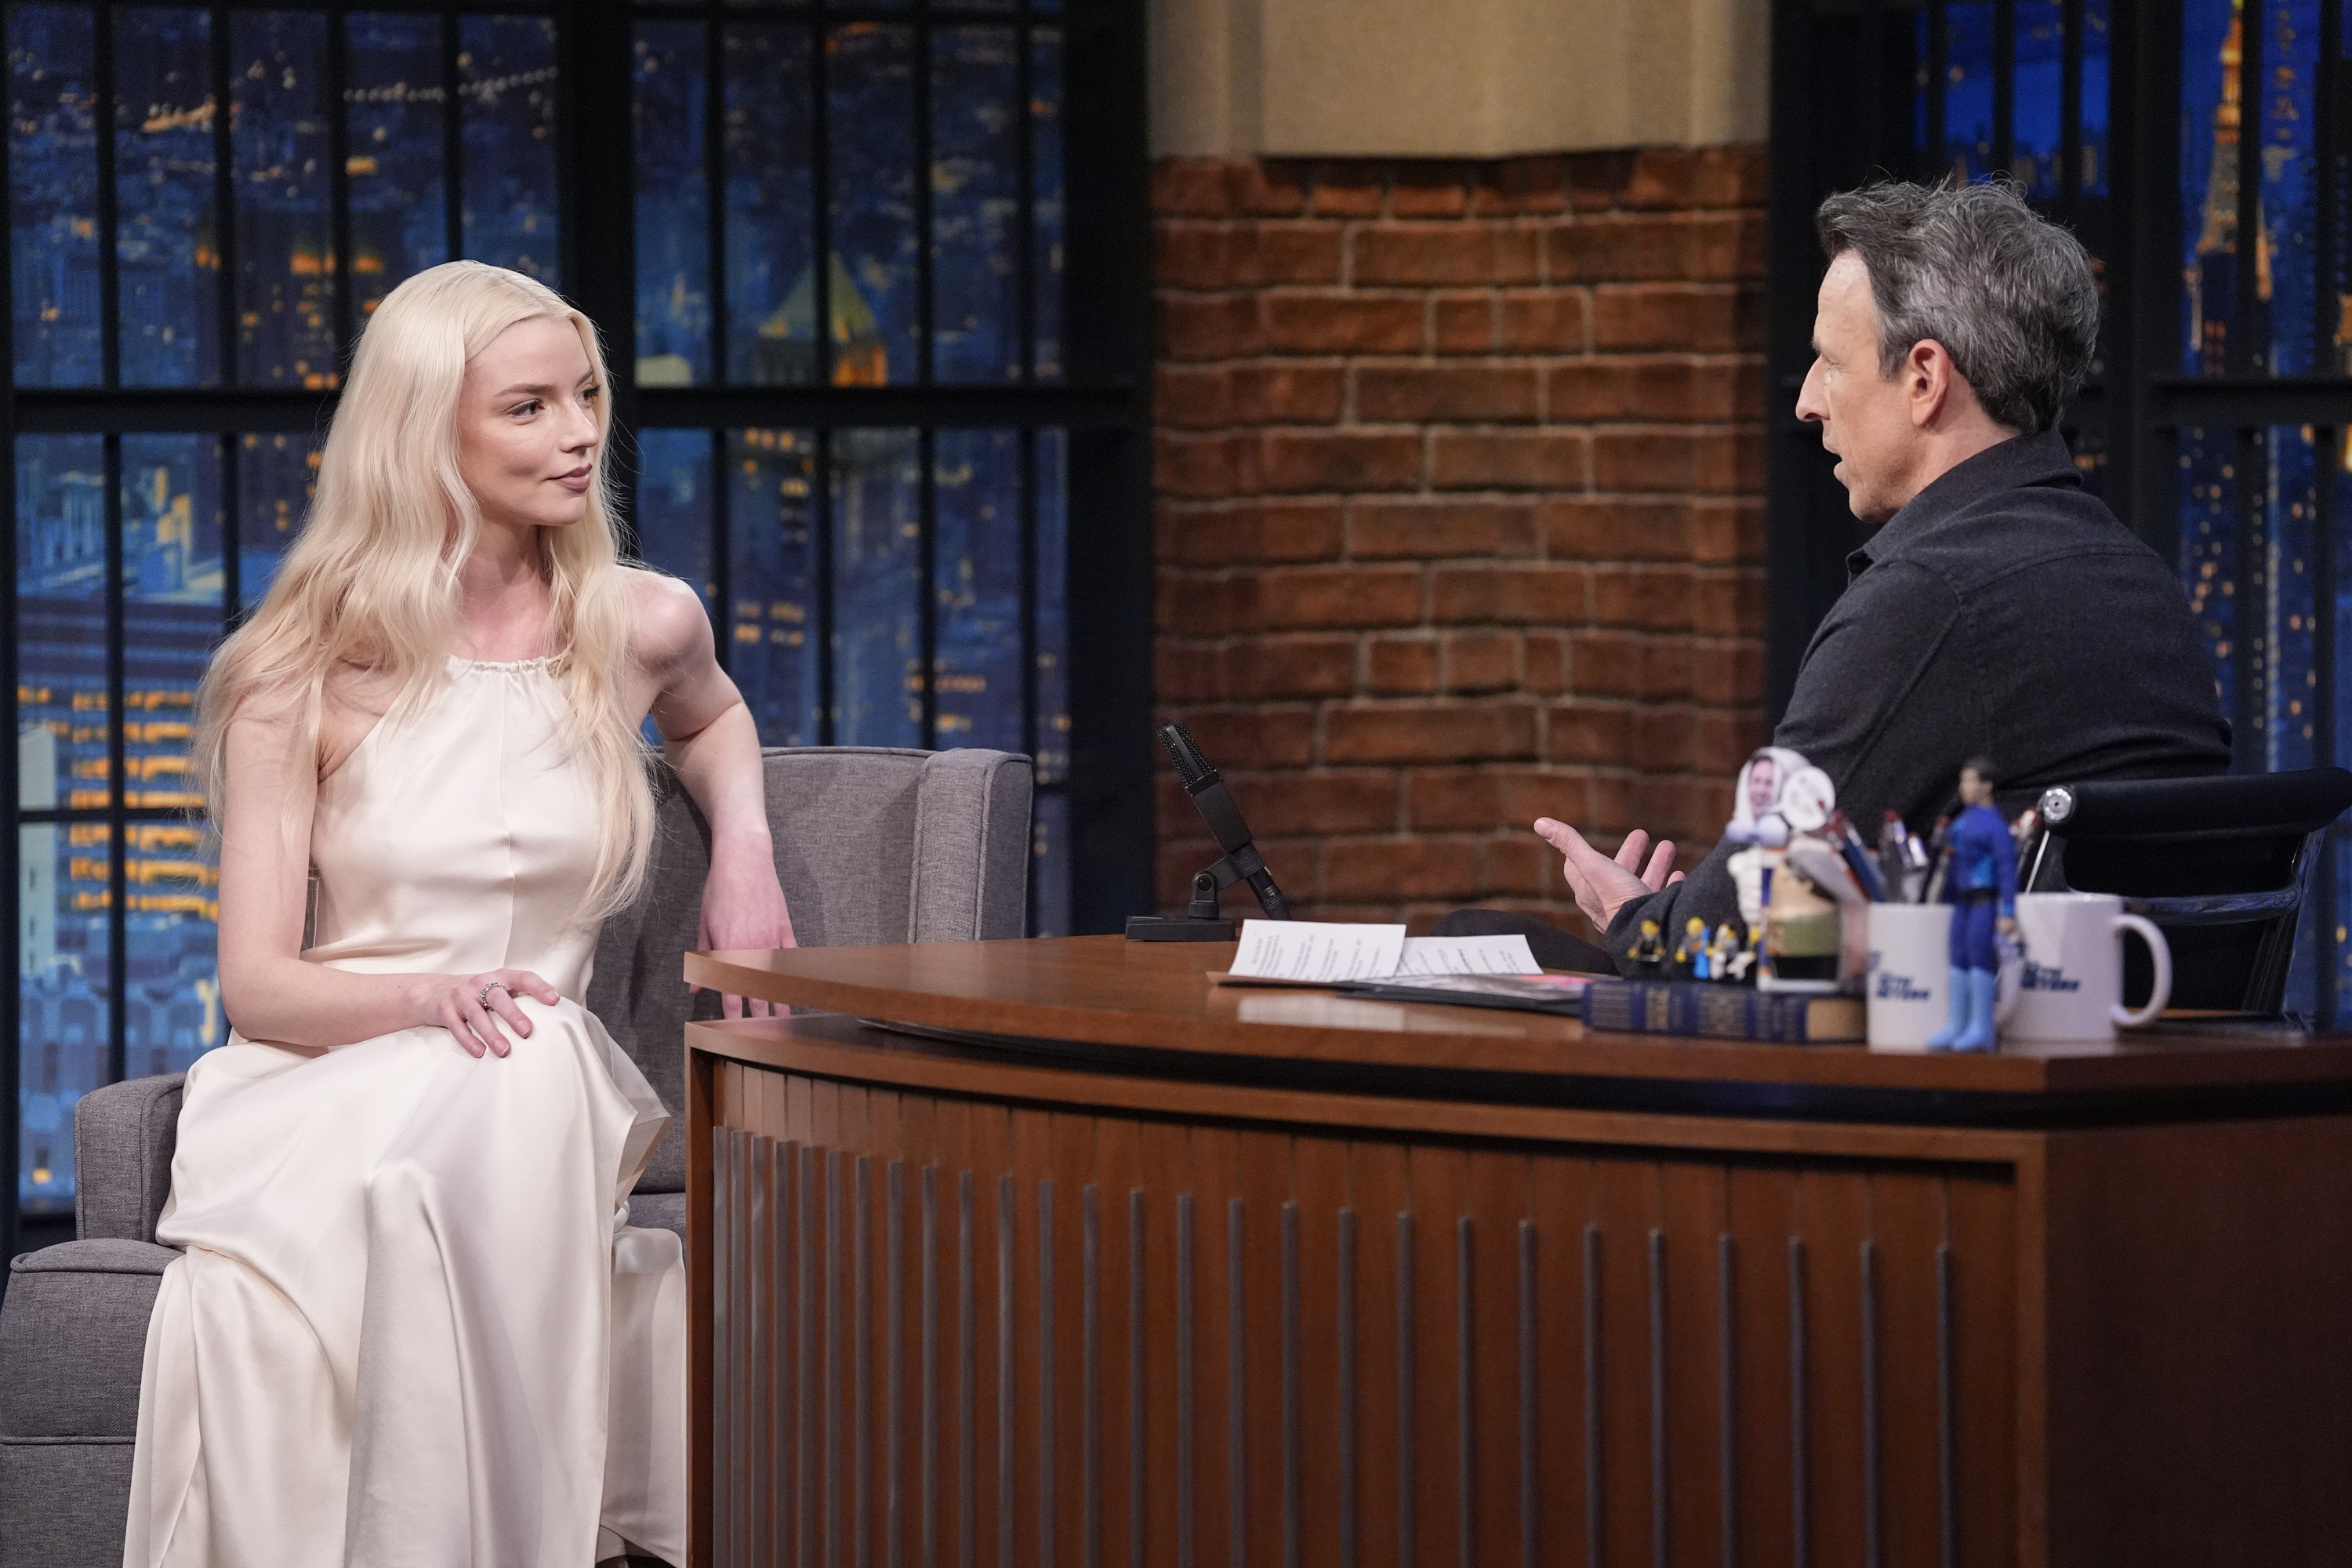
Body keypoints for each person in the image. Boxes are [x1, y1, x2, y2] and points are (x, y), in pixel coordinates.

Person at [123, 262, 794, 1567]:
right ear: (430, 432)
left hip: (529, 1091)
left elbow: (713, 716)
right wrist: (432, 998)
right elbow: (257, 987)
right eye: (529, 407)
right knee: (521, 1049)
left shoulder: (640, 623)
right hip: (333, 1086)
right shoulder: (299, 671)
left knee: (532, 1048)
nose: (582, 434)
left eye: (588, 395)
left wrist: (746, 854)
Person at [1438, 179, 2230, 972]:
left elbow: (1734, 926)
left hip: (1957, 1073)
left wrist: (1634, 915)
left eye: (1828, 363)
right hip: (2136, 1060)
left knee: (1468, 946)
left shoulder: (1931, 601)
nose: (1807, 403)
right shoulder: (2142, 580)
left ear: (1923, 379)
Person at [1926, 757, 2017, 1051]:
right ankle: (1957, 1023)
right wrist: (1945, 899)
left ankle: (1981, 1027)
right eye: (1963, 781)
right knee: (1957, 956)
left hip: (1983, 903)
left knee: (1980, 957)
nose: (1964, 787)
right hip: (1961, 904)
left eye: (1970, 781)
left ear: (1986, 786)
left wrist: (2007, 910)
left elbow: (2006, 870)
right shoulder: (1961, 823)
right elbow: (1952, 867)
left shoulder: (1995, 827)